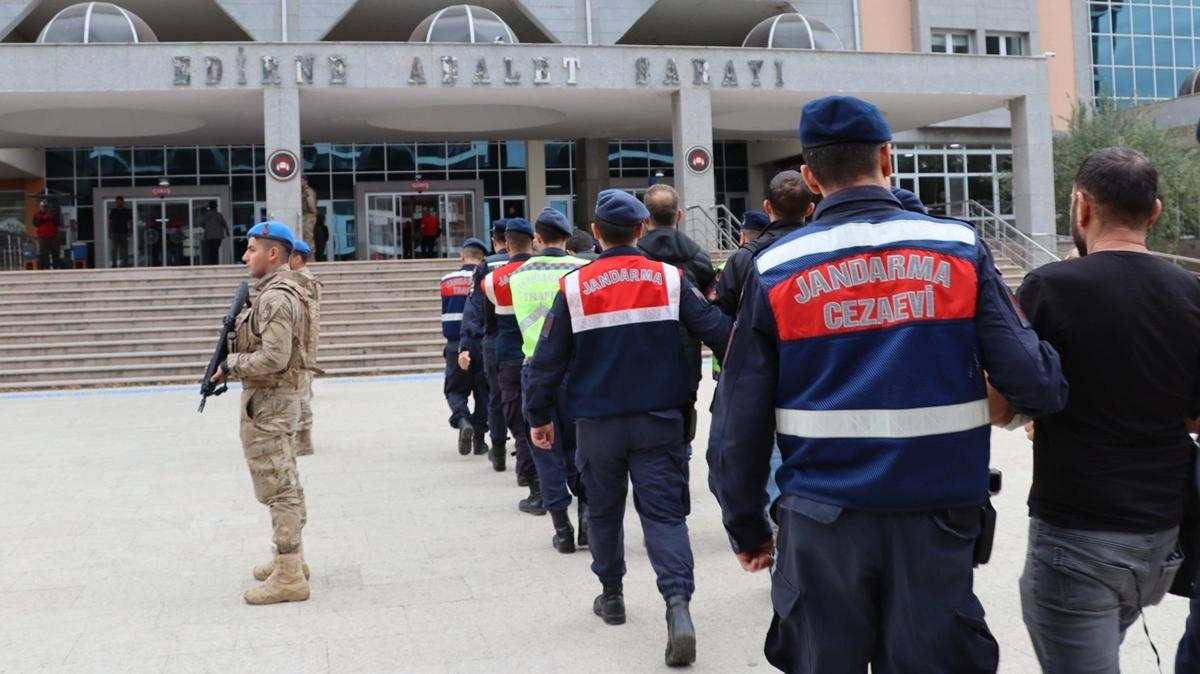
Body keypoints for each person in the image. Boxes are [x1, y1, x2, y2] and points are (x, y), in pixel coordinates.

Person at [707, 95, 1068, 674]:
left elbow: (737, 420)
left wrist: (746, 525)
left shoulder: (775, 267)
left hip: (822, 527)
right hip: (937, 517)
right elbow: (1035, 382)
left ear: (809, 176)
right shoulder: (959, 249)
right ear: (887, 158)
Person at [995, 148, 1200, 673]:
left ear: (1081, 208)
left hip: (1078, 536)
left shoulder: (1050, 288)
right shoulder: (1190, 292)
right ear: (1153, 213)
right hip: (1160, 537)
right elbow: (1194, 417)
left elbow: (1002, 408)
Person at [524, 190, 732, 667]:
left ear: (595, 233)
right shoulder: (671, 278)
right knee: (663, 516)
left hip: (597, 425)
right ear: (642, 230)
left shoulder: (575, 287)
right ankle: (677, 605)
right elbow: (721, 333)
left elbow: (546, 363)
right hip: (659, 422)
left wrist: (538, 419)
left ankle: (612, 595)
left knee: (602, 511)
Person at [208, 221, 312, 605]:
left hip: (269, 405)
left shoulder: (276, 297)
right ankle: (291, 561)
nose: (244, 256)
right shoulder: (277, 291)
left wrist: (232, 363)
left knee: (279, 489)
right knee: (286, 482)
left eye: (251, 249)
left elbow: (274, 356)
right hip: (272, 402)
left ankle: (289, 575)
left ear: (273, 253)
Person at [510, 208, 590, 553]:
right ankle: (588, 518)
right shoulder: (584, 270)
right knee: (585, 448)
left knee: (545, 449)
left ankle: (561, 528)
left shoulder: (516, 274)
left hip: (536, 369)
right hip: (580, 369)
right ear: (568, 239)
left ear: (537, 239)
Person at [636, 184, 716, 454]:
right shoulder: (698, 256)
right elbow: (709, 306)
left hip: (645, 351)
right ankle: (682, 451)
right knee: (685, 408)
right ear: (679, 215)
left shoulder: (636, 259)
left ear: (645, 220)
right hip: (687, 353)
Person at [478, 218, 542, 513]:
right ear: (533, 240)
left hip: (509, 355)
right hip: (544, 354)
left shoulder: (491, 278)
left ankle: (534, 487)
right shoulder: (547, 272)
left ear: (504, 242)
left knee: (520, 424)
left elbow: (488, 320)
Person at [712, 171, 814, 316]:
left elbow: (723, 316)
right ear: (810, 209)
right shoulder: (829, 250)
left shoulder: (742, 259)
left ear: (767, 207)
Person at [459, 219, 511, 471]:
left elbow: (474, 310)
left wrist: (466, 344)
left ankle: (498, 451)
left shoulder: (485, 266)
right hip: (530, 340)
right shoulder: (531, 264)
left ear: (494, 240)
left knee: (496, 398)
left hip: (493, 340)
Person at [441, 238, 491, 457]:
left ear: (462, 256)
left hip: (454, 345)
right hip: (481, 343)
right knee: (484, 393)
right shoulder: (486, 280)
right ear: (483, 259)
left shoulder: (446, 280)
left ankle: (462, 420)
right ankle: (479, 440)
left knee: (454, 389)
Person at [289, 240, 321, 457]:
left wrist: (303, 352)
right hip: (301, 348)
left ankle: (303, 438)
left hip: (301, 348)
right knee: (301, 392)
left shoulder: (304, 281)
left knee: (300, 393)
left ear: (297, 258)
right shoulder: (301, 280)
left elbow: (308, 320)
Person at [199, 200, 229, 265]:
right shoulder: (218, 215)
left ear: (209, 207)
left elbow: (201, 224)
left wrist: (207, 228)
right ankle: (215, 263)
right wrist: (227, 231)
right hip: (217, 236)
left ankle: (212, 263)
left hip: (209, 236)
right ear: (216, 206)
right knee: (215, 250)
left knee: (211, 250)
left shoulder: (206, 215)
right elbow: (224, 223)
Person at [34, 201, 60, 270]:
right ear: (40, 207)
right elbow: (36, 224)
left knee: (55, 252)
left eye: (46, 207)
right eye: (43, 207)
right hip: (43, 237)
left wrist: (53, 217)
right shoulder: (37, 214)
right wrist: (43, 218)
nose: (45, 208)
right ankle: (46, 267)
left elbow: (58, 223)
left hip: (53, 236)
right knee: (44, 253)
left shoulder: (53, 213)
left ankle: (56, 267)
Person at [108, 196, 132, 268]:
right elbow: (110, 222)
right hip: (115, 233)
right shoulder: (113, 211)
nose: (119, 202)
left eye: (120, 201)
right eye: (117, 201)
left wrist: (130, 231)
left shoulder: (126, 211)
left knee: (124, 250)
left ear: (123, 202)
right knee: (114, 249)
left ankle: (125, 264)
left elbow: (130, 222)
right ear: (116, 202)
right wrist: (109, 232)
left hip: (124, 233)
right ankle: (114, 264)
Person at [301, 176, 318, 245]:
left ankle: (309, 254)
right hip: (306, 215)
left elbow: (310, 202)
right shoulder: (304, 191)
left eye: (301, 181)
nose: (300, 183)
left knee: (308, 237)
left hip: (308, 216)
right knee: (306, 236)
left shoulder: (308, 191)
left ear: (306, 181)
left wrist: (313, 211)